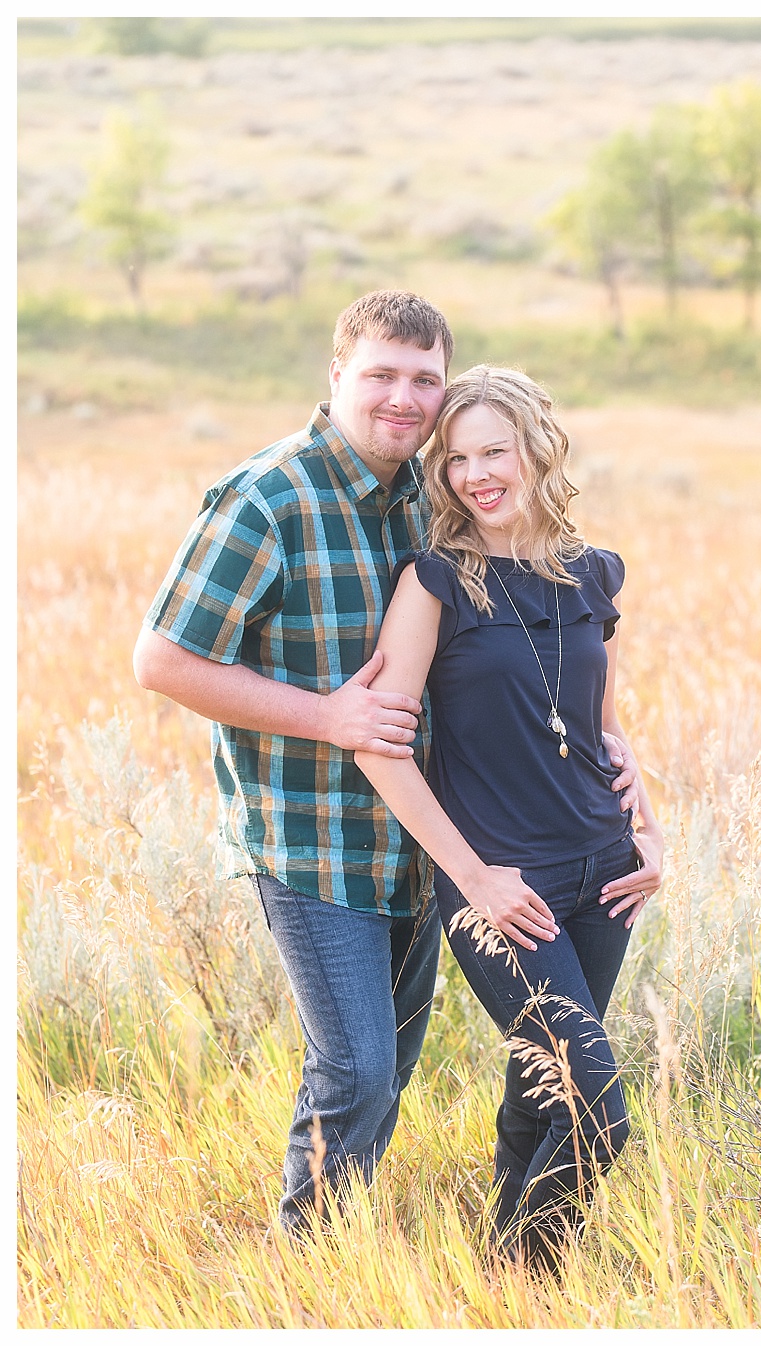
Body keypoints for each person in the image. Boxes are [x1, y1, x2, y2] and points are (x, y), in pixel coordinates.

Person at [134, 290, 453, 1229]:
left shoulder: (428, 502)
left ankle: (340, 1250)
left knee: (387, 1070)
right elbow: (162, 660)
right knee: (354, 1069)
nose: (404, 398)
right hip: (310, 839)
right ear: (337, 375)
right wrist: (328, 717)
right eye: (382, 375)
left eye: (424, 380)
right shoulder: (268, 498)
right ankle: (300, 1263)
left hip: (417, 837)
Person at [352, 364, 664, 1267]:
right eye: (455, 459)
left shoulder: (592, 573)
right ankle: (518, 1274)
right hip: (502, 886)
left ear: (536, 447)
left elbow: (603, 729)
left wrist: (650, 835)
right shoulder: (436, 581)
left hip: (604, 877)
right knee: (596, 1114)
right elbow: (381, 747)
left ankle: (518, 1293)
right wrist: (473, 877)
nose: (475, 474)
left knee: (540, 1097)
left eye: (494, 450)